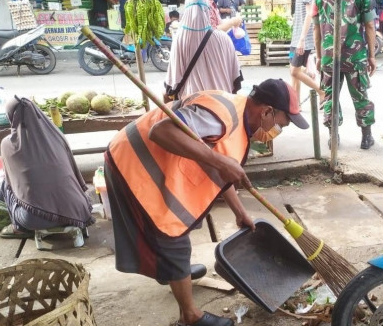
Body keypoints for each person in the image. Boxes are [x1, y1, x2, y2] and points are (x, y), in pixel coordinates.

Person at [103, 78, 309, 326]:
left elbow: (221, 170)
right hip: (133, 161)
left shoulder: (241, 120)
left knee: (182, 223)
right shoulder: (222, 115)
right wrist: (220, 162)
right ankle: (190, 316)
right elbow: (161, 131)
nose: (277, 131)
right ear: (266, 111)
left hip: (153, 164)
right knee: (171, 235)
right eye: (280, 124)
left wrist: (239, 211)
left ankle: (175, 273)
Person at [0, 96, 95, 238]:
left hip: (35, 219)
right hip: (78, 209)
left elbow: (12, 183)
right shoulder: (57, 136)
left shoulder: (8, 144)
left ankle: (18, 228)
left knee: (7, 183)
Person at [313, 0, 377, 149]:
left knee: (330, 97)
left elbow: (316, 28)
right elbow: (369, 24)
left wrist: (319, 56)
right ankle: (366, 137)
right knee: (360, 95)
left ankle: (333, 137)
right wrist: (371, 56)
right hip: (355, 57)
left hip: (329, 55)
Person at [165, 0, 243, 100]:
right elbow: (237, 80)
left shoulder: (179, 40)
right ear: (207, 11)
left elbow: (171, 83)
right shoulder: (224, 38)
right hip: (222, 105)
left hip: (192, 108)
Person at [289, 0, 324, 105]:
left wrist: (302, 39)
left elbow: (310, 14)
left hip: (304, 39)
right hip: (296, 39)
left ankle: (321, 91)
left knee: (295, 71)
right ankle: (296, 104)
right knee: (293, 71)